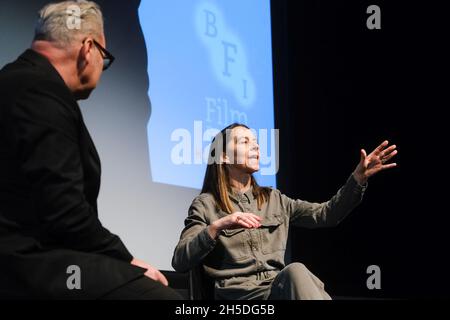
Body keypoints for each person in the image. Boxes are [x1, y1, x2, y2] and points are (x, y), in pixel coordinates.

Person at [0, 1, 181, 299]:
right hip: (30, 263)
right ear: (88, 48)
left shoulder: (17, 80)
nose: (102, 67)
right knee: (165, 298)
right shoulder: (39, 92)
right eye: (104, 57)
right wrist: (127, 260)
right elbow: (64, 213)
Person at [172, 123, 398, 300]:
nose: (256, 147)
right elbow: (180, 260)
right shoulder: (206, 204)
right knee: (297, 272)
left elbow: (327, 214)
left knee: (297, 275)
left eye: (256, 142)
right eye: (245, 142)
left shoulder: (274, 199)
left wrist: (357, 179)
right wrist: (218, 226)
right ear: (223, 156)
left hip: (277, 289)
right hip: (240, 296)